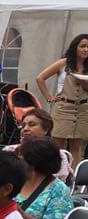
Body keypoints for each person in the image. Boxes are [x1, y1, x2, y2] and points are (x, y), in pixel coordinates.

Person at [15, 137, 74, 219]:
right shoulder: (14, 181)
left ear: (33, 163)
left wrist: (19, 213)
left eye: (20, 158)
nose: (16, 161)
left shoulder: (58, 191)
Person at [35, 33, 88, 167]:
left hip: (83, 109)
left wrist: (83, 82)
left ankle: (74, 175)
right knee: (57, 144)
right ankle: (55, 172)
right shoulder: (63, 63)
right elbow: (40, 78)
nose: (86, 49)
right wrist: (49, 97)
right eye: (83, 46)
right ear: (75, 47)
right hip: (63, 107)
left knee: (77, 145)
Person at [5, 108, 72, 181]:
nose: (25, 129)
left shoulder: (58, 155)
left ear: (46, 129)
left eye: (32, 125)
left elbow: (56, 182)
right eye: (23, 126)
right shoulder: (9, 150)